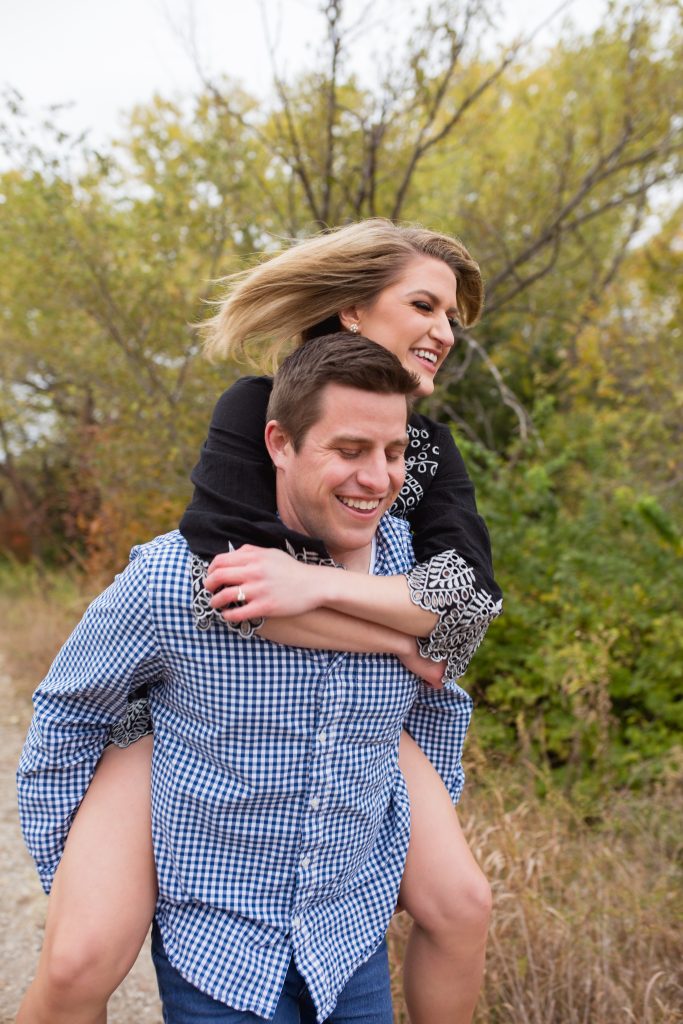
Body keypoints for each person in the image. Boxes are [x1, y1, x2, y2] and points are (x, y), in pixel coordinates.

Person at [16, 219, 502, 1024]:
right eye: (424, 305)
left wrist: (327, 597)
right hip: (199, 698)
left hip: (366, 689)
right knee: (80, 956)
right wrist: (400, 632)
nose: (443, 333)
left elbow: (463, 612)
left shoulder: (425, 451)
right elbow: (224, 593)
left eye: (450, 316)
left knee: (462, 902)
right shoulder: (259, 407)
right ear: (351, 309)